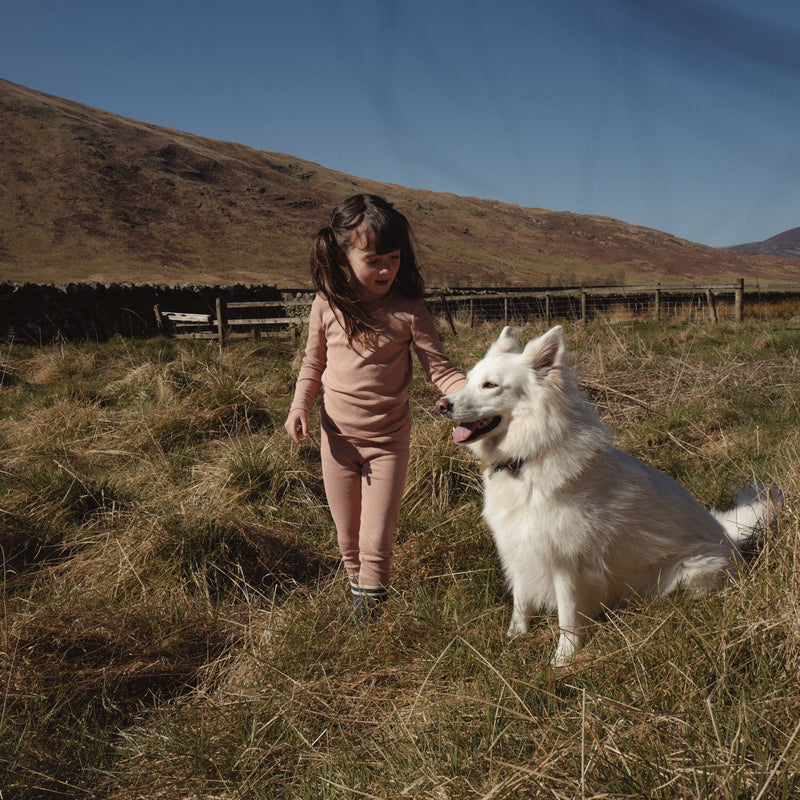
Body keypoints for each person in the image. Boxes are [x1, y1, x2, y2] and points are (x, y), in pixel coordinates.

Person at [284, 194, 466, 616]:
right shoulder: (326, 305)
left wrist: (471, 394)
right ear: (343, 256)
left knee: (376, 541)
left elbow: (440, 369)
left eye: (394, 258)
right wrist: (298, 406)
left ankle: (372, 620)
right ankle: (360, 608)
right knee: (348, 540)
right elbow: (313, 362)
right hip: (337, 442)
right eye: (373, 260)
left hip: (388, 444)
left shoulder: (410, 309)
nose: (386, 269)